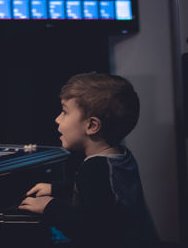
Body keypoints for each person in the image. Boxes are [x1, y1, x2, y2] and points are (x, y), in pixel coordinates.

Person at [18, 72, 159, 248]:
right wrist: (56, 189)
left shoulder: (95, 168)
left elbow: (90, 229)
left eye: (64, 112)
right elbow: (99, 194)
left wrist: (49, 206)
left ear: (92, 126)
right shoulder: (121, 157)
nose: (57, 119)